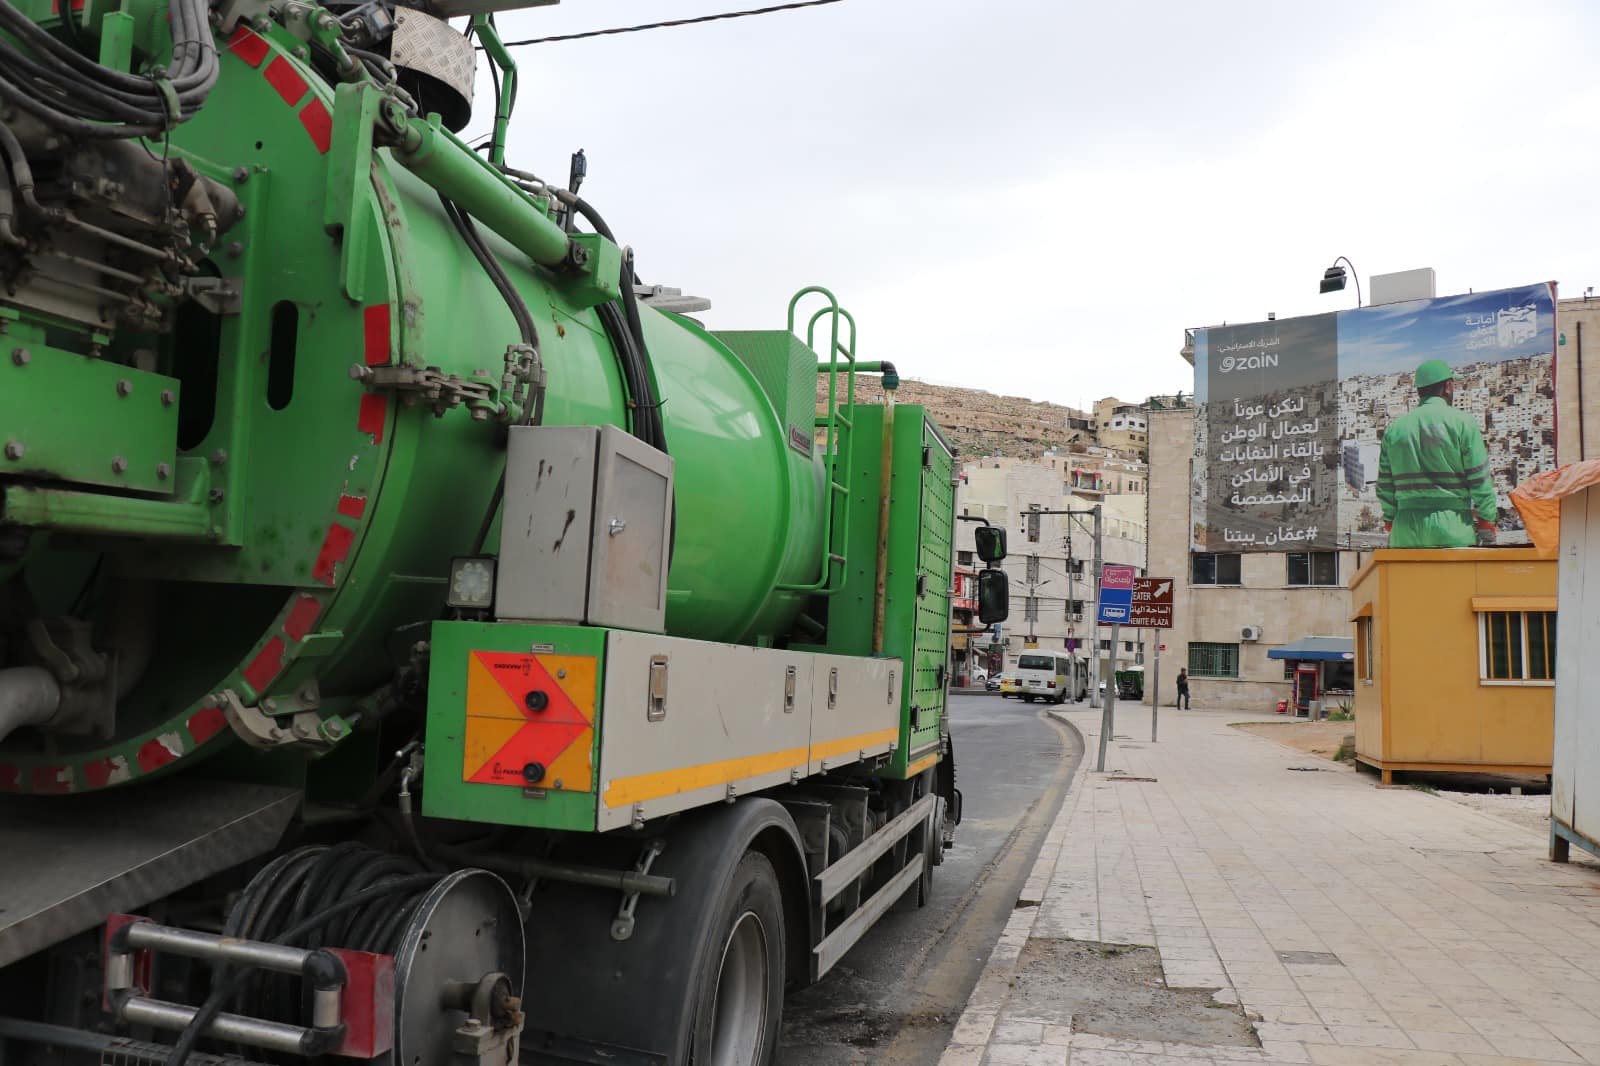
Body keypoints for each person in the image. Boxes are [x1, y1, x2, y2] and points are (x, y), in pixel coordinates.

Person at [1376, 359, 1497, 548]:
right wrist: (1486, 522)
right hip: (1453, 529)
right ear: (1447, 387)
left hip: (1405, 530)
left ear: (1419, 391)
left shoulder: (1394, 430)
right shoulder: (1463, 423)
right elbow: (1480, 481)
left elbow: (1384, 485)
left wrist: (1391, 520)